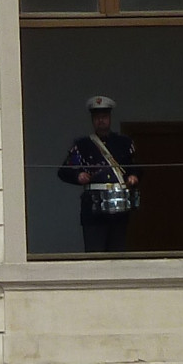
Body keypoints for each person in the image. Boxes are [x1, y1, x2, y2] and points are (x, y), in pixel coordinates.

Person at [57, 95, 141, 253]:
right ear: (92, 120)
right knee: (95, 253)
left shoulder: (124, 143)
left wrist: (133, 176)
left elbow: (135, 166)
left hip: (119, 208)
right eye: (97, 118)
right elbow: (64, 171)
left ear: (109, 118)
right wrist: (78, 176)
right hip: (93, 209)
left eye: (104, 117)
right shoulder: (82, 145)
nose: (100, 121)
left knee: (118, 253)